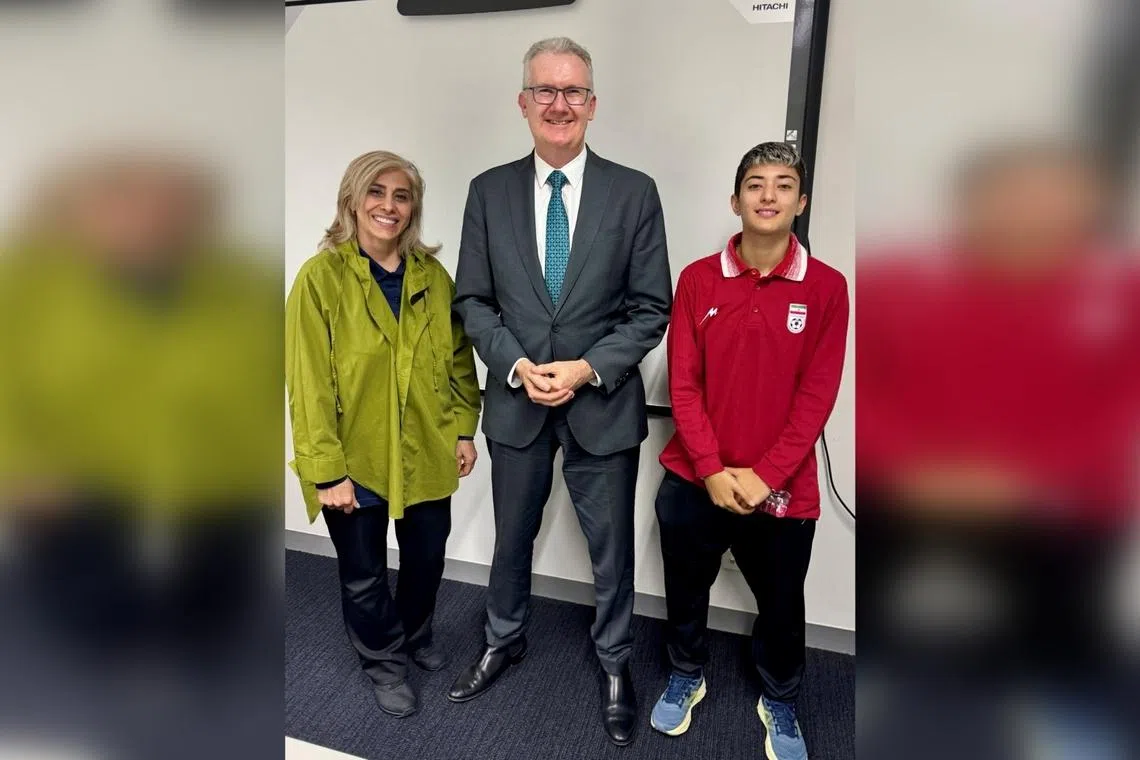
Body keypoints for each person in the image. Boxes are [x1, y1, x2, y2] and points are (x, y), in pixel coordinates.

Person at [448, 36, 673, 746]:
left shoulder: (634, 192)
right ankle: (502, 638)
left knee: (611, 551)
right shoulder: (486, 191)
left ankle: (614, 663)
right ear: (523, 103)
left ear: (593, 105)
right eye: (544, 90)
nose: (559, 104)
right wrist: (517, 366)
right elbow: (474, 301)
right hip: (516, 401)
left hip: (601, 405)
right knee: (512, 538)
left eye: (573, 91)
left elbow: (650, 307)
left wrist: (583, 369)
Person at [650, 142, 849, 760]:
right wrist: (710, 470)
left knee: (783, 602)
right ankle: (687, 671)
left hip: (781, 484)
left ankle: (780, 696)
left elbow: (818, 394)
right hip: (695, 476)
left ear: (801, 202)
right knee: (685, 588)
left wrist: (764, 475)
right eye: (755, 185)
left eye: (783, 185)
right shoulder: (697, 279)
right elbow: (683, 383)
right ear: (735, 201)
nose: (768, 195)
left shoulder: (827, 288)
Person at [285, 150, 481, 718]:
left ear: (413, 207)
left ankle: (415, 632)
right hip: (355, 457)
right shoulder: (320, 279)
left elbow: (460, 360)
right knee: (364, 572)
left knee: (427, 557)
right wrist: (326, 471)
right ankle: (383, 659)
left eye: (401, 195)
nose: (388, 206)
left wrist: (465, 429)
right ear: (352, 199)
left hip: (427, 446)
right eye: (376, 192)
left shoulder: (433, 278)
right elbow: (309, 383)